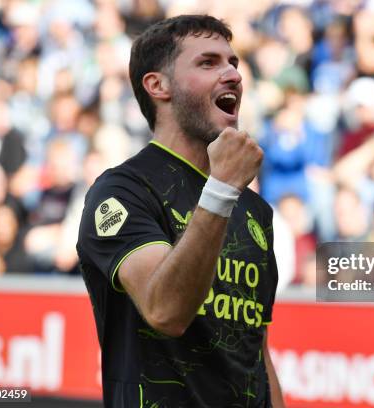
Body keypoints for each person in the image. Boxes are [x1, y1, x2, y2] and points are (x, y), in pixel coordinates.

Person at [76, 15, 284, 408]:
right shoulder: (122, 192)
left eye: (233, 63)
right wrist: (221, 190)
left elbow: (257, 351)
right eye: (208, 63)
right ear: (158, 85)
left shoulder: (256, 210)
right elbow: (165, 311)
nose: (233, 75)